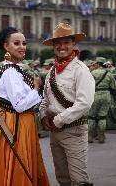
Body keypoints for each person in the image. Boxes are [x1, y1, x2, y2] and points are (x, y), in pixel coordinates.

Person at [0, 27, 50, 186]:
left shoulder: (15, 69)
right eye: (17, 43)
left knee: (21, 163)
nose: (22, 47)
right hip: (17, 123)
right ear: (6, 46)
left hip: (20, 122)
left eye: (24, 43)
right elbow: (20, 105)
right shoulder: (10, 73)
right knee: (19, 165)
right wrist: (36, 89)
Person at [39, 23, 95, 186]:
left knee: (78, 179)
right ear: (54, 46)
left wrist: (59, 120)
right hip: (54, 131)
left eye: (66, 42)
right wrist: (43, 115)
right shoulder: (52, 70)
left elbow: (84, 103)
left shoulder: (81, 70)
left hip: (74, 130)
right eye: (58, 43)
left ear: (73, 44)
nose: (62, 46)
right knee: (62, 178)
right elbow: (45, 97)